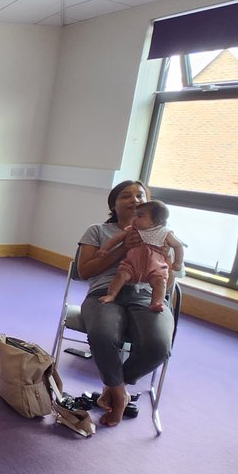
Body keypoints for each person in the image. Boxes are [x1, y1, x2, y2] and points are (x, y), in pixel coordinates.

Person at [76, 180, 176, 428]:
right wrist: (122, 250)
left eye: (140, 196)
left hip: (147, 295)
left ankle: (113, 387)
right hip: (105, 292)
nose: (134, 200)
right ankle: (120, 396)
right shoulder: (97, 231)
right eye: (125, 196)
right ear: (113, 204)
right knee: (101, 333)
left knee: (159, 346)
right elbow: (84, 271)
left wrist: (167, 260)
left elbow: (170, 278)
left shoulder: (161, 235)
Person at [96, 199, 185, 312]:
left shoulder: (164, 233)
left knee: (160, 283)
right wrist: (104, 249)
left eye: (139, 216)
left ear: (155, 221)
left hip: (155, 269)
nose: (134, 219)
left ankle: (156, 303)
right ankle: (111, 295)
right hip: (131, 266)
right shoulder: (132, 230)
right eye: (135, 215)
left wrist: (178, 262)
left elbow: (178, 246)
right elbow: (116, 239)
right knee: (121, 275)